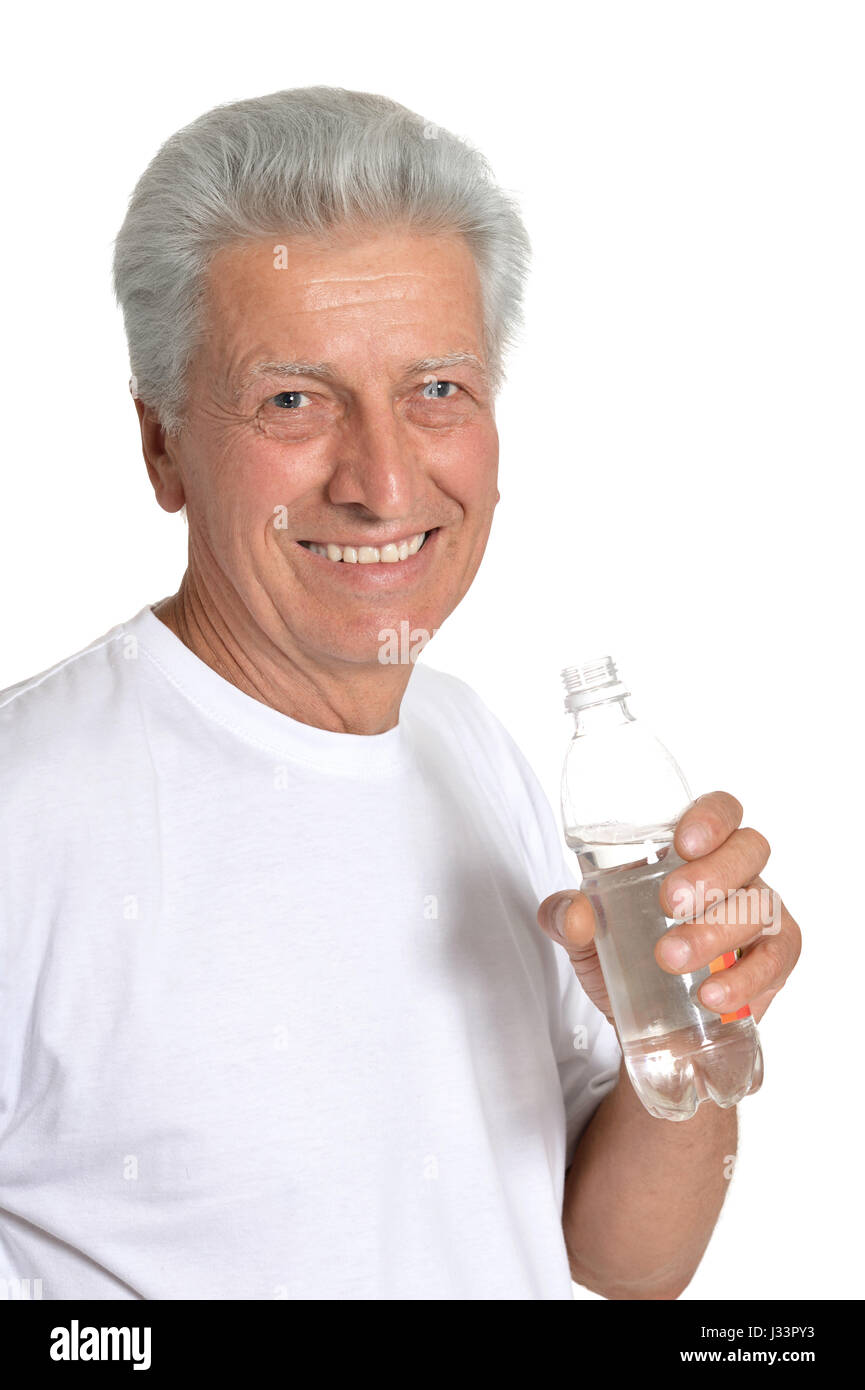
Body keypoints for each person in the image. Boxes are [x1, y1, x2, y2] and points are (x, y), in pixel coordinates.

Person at [0, 87, 800, 1301]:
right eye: (292, 399)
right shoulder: (30, 814)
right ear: (160, 444)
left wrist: (689, 1036)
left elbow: (615, 1264)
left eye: (437, 389)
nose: (383, 481)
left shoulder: (462, 741)